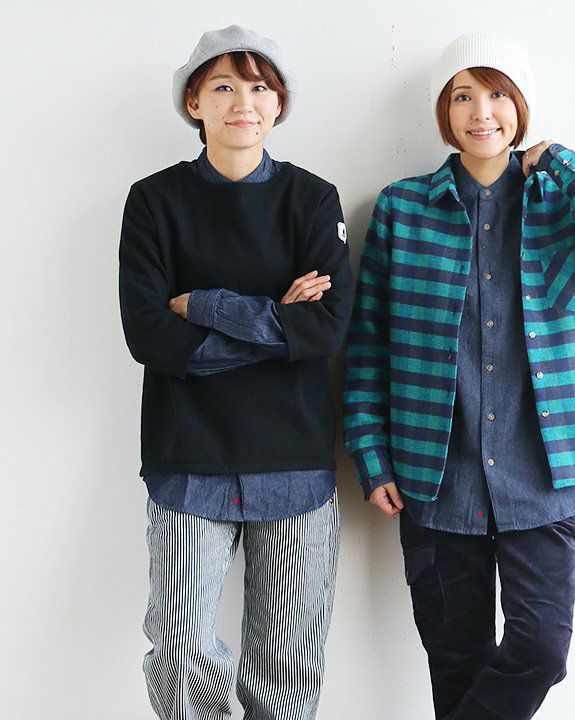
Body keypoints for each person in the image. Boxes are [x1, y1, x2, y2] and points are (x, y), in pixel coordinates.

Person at [343, 32, 575, 720]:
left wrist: (562, 161)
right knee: (456, 662)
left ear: (521, 107)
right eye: (463, 96)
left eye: (498, 95)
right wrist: (370, 454)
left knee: (541, 649)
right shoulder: (402, 208)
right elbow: (368, 343)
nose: (481, 112)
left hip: (546, 475)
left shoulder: (558, 201)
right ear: (444, 111)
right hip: (434, 477)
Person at [119, 25, 353, 720]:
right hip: (188, 458)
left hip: (296, 463)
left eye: (258, 88)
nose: (242, 103)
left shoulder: (313, 199)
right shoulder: (153, 202)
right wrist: (279, 327)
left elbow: (326, 330)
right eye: (223, 86)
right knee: (180, 647)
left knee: (286, 667)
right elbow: (150, 336)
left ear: (278, 104)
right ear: (194, 103)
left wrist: (206, 307)